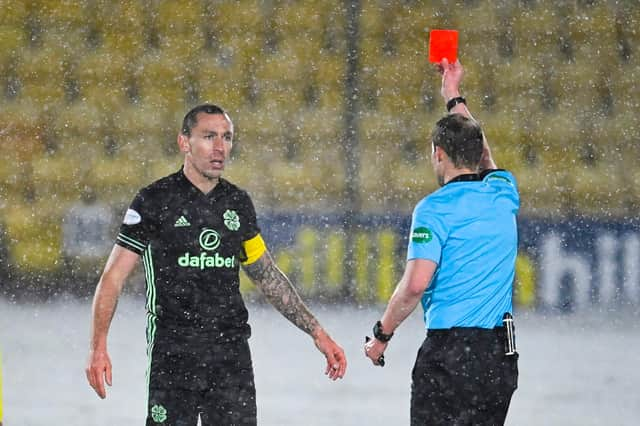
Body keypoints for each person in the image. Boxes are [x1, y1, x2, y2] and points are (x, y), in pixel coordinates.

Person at [85, 104, 347, 425]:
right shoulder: (154, 200)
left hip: (230, 355)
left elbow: (266, 275)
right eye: (209, 136)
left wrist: (317, 332)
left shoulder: (238, 203)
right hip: (173, 353)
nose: (220, 147)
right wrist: (98, 347)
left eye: (227, 137)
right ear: (184, 143)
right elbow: (112, 278)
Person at [364, 58, 519, 425]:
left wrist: (381, 333)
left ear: (438, 153)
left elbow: (415, 285)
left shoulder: (433, 210)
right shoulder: (503, 192)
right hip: (500, 353)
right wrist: (453, 95)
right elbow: (484, 152)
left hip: (451, 350)